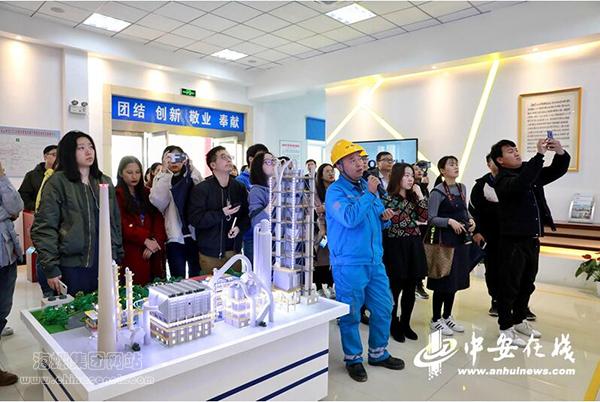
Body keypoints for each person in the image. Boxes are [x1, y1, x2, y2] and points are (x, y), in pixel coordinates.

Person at [326, 139, 404, 383]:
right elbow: (349, 218)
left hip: (374, 260)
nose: (359, 164)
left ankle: (378, 353)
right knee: (351, 313)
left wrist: (385, 218)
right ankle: (353, 358)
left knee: (384, 307)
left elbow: (377, 218)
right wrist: (370, 194)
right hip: (348, 262)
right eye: (352, 160)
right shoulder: (335, 192)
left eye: (360, 159)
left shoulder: (365, 187)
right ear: (339, 165)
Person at [490, 138, 569, 346]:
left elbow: (556, 171)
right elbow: (521, 184)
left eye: (516, 149)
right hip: (512, 241)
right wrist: (539, 156)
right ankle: (505, 327)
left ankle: (519, 320)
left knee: (527, 284)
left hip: (531, 239)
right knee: (509, 286)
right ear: (500, 160)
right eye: (510, 151)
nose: (516, 152)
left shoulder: (528, 171)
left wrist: (560, 152)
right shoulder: (502, 179)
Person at [31, 131, 123, 296]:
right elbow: (45, 228)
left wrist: (116, 254)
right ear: (69, 152)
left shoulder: (104, 181)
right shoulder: (58, 182)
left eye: (91, 147)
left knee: (102, 306)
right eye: (81, 148)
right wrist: (51, 267)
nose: (88, 151)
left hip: (102, 258)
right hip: (72, 262)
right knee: (77, 309)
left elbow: (114, 221)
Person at [426, 155, 474, 336]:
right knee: (443, 281)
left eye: (456, 164)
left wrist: (471, 219)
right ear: (442, 170)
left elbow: (465, 210)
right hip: (445, 243)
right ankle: (435, 319)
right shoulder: (437, 192)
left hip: (460, 241)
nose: (456, 167)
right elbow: (431, 218)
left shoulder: (462, 188)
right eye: (451, 164)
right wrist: (449, 221)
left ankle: (447, 316)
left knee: (455, 281)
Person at [383, 163, 428, 343]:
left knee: (411, 287)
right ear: (397, 177)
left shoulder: (414, 197)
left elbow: (424, 218)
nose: (410, 179)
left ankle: (406, 323)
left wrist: (420, 195)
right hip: (395, 246)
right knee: (395, 287)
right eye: (406, 175)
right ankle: (393, 323)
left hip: (413, 245)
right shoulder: (387, 198)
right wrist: (412, 222)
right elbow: (395, 222)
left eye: (411, 175)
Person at [188, 146, 249, 273]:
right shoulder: (202, 189)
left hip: (234, 251)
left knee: (236, 283)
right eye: (223, 157)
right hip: (210, 253)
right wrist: (221, 213)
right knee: (213, 284)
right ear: (213, 165)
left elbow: (247, 216)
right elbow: (195, 219)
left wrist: (239, 228)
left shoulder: (239, 187)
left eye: (229, 157)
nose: (228, 160)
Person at [150, 146, 203, 279]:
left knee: (197, 277)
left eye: (178, 157)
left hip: (195, 235)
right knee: (177, 279)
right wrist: (165, 173)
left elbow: (202, 194)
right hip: (174, 237)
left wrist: (191, 167)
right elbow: (158, 202)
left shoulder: (191, 175)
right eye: (170, 158)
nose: (174, 162)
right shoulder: (162, 178)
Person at [116, 156, 166, 286]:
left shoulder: (148, 193)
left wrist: (155, 242)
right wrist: (145, 239)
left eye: (137, 172)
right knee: (134, 288)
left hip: (153, 249)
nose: (134, 176)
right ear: (121, 173)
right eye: (129, 172)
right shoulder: (117, 195)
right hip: (132, 249)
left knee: (156, 287)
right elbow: (121, 224)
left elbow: (159, 220)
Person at [0, 160, 24, 386]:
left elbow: (16, 207)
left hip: (7, 255)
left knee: (2, 309)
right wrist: (4, 213)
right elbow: (8, 212)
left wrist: (1, 177)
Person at [469, 154, 501, 317]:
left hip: (512, 234)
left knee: (516, 270)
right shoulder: (481, 185)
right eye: (494, 160)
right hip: (490, 236)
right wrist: (476, 232)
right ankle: (496, 300)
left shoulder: (515, 181)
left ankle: (520, 304)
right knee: (493, 269)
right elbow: (472, 211)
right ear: (489, 164)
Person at [236, 144, 269, 264]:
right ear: (251, 159)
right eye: (264, 160)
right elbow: (247, 210)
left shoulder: (269, 182)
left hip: (268, 234)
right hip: (251, 234)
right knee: (257, 268)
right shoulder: (241, 181)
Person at [313, 163, 335, 291]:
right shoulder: (315, 192)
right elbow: (317, 210)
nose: (331, 173)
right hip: (320, 230)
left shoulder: (337, 189)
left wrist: (326, 207)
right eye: (327, 171)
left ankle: (331, 285)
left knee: (332, 258)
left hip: (335, 229)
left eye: (332, 171)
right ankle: (319, 287)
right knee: (320, 258)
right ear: (321, 175)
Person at [412, 161, 431, 300]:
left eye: (421, 169)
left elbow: (426, 205)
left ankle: (419, 283)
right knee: (416, 256)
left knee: (423, 255)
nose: (419, 171)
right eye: (416, 169)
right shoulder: (411, 188)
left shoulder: (424, 187)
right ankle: (416, 284)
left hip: (425, 226)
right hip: (415, 226)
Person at [18, 145, 57, 211]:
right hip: (37, 212)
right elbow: (23, 196)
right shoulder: (32, 175)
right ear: (45, 156)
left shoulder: (63, 175)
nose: (58, 158)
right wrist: (37, 207)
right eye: (54, 155)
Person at [248, 151, 276, 229]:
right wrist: (274, 202)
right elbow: (256, 223)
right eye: (268, 162)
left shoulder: (282, 187)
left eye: (274, 160)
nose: (274, 164)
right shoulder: (256, 191)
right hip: (268, 235)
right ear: (259, 167)